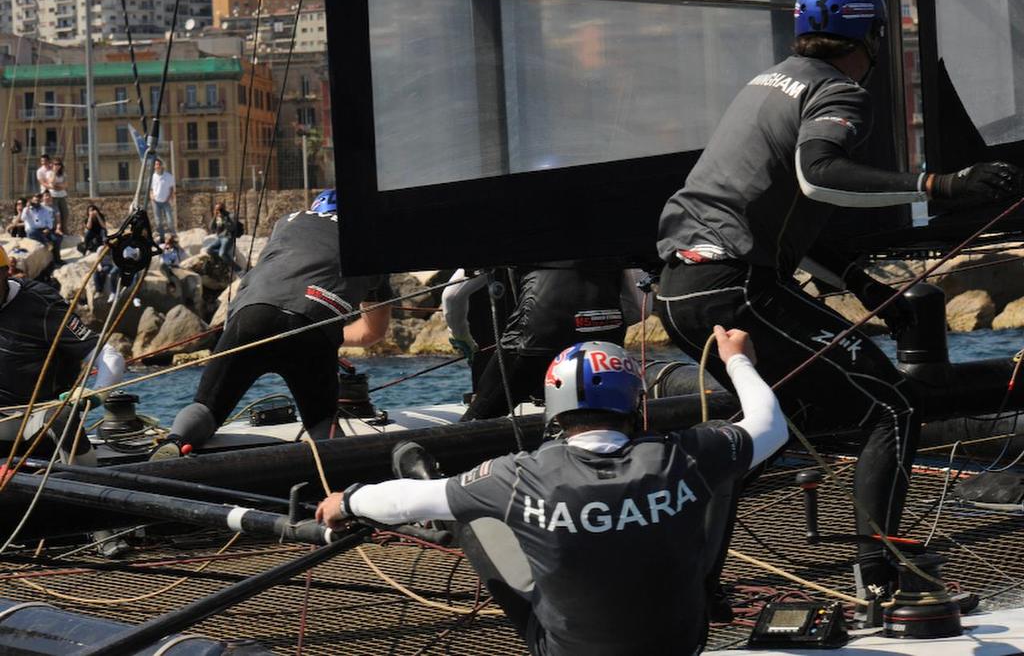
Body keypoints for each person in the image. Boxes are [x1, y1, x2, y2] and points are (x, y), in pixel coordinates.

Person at [655, 0, 1024, 604]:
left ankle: (683, 575)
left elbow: (783, 207)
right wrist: (942, 185)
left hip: (685, 288)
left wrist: (865, 288)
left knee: (780, 426)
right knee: (892, 408)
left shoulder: (769, 81)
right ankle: (880, 575)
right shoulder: (838, 91)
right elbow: (819, 174)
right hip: (733, 286)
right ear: (873, 37)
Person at [317, 330, 787, 655]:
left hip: (567, 651)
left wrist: (347, 500)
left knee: (467, 512)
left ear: (555, 408)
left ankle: (447, 521)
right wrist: (736, 359)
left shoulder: (517, 474)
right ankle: (709, 592)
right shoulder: (687, 454)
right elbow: (769, 425)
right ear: (635, 404)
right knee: (724, 470)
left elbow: (404, 502)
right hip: (684, 644)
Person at [164, 189, 394, 456]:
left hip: (252, 314)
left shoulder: (288, 222)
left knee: (206, 408)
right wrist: (332, 333)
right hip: (312, 328)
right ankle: (339, 481)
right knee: (321, 422)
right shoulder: (372, 242)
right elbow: (372, 332)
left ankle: (175, 443)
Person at [444, 262, 643, 421]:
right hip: (606, 334)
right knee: (613, 416)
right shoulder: (611, 231)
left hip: (536, 334)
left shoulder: (523, 229)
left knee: (479, 419)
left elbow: (452, 295)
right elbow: (637, 308)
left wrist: (461, 337)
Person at [0, 243, 126, 465]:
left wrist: (96, 394)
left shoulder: (42, 306)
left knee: (60, 418)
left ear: (5, 273)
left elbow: (108, 356)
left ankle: (88, 476)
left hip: (35, 421)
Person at [21, 194, 59, 262]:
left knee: (56, 239)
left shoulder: (45, 209)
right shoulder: (26, 209)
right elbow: (23, 218)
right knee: (32, 232)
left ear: (40, 201)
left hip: (44, 230)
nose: (36, 202)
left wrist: (48, 228)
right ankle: (46, 242)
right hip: (33, 231)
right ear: (32, 201)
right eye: (35, 200)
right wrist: (27, 207)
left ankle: (57, 259)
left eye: (38, 200)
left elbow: (50, 222)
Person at [206, 201, 238, 270]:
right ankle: (222, 262)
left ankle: (239, 270)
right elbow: (211, 227)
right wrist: (215, 216)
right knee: (209, 250)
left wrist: (224, 219)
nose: (218, 211)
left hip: (227, 237)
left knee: (222, 253)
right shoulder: (217, 217)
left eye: (220, 209)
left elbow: (232, 227)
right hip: (219, 238)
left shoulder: (230, 216)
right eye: (216, 209)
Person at [149, 158, 176, 237]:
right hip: (156, 202)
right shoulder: (152, 177)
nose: (157, 166)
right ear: (154, 166)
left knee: (169, 220)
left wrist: (169, 197)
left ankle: (173, 234)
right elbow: (150, 189)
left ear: (161, 166)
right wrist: (151, 196)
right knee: (158, 221)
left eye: (159, 164)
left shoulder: (168, 176)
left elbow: (171, 189)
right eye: (156, 165)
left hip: (166, 201)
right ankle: (161, 237)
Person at [39, 191, 64, 266]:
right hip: (42, 229)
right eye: (46, 196)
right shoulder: (39, 207)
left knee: (57, 238)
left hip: (52, 229)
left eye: (49, 196)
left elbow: (58, 221)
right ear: (42, 198)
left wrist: (58, 228)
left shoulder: (54, 207)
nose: (48, 197)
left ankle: (57, 259)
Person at [48, 158, 69, 235]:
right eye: (55, 164)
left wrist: (58, 185)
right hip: (53, 196)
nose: (57, 166)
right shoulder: (50, 173)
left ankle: (64, 229)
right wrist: (54, 172)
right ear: (52, 165)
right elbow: (52, 183)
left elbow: (65, 185)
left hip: (62, 196)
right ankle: (56, 230)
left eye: (59, 164)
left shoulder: (63, 174)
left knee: (65, 213)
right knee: (56, 213)